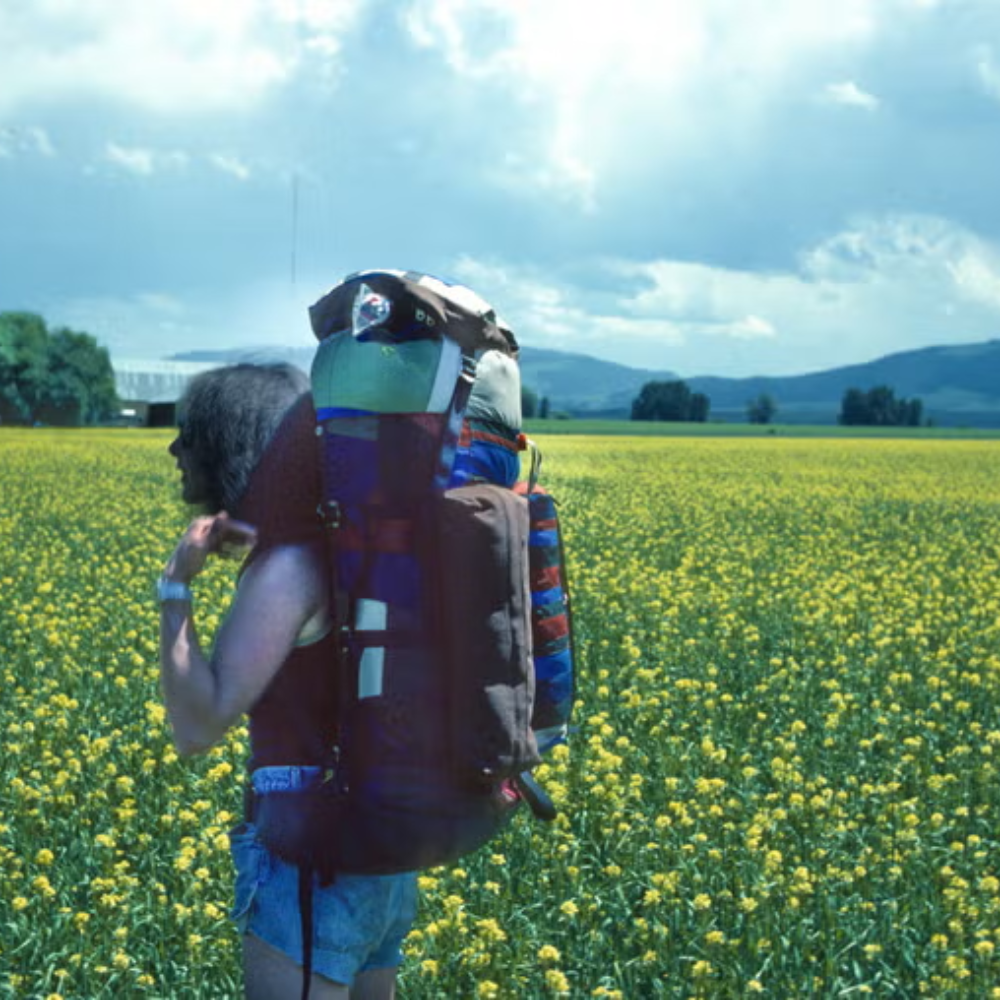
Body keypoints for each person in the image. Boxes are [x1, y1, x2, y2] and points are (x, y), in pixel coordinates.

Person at [159, 363, 418, 1000]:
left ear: (232, 444)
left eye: (191, 432)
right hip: (379, 848)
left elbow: (197, 728)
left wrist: (174, 589)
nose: (174, 448)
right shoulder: (343, 549)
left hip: (311, 851)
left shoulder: (289, 566)